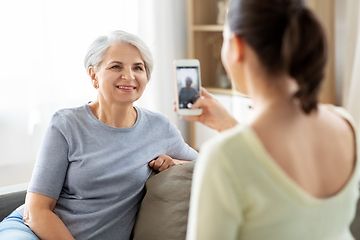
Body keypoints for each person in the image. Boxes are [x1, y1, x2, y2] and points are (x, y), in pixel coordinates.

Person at [185, 0, 359, 239]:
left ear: (237, 46)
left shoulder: (222, 158)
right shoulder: (346, 125)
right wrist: (230, 126)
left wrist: (233, 138)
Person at [0, 30, 198, 240]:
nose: (129, 76)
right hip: (31, 231)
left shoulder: (160, 128)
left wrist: (175, 163)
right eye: (116, 66)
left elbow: (206, 165)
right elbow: (36, 211)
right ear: (93, 74)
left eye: (138, 68)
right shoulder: (66, 124)